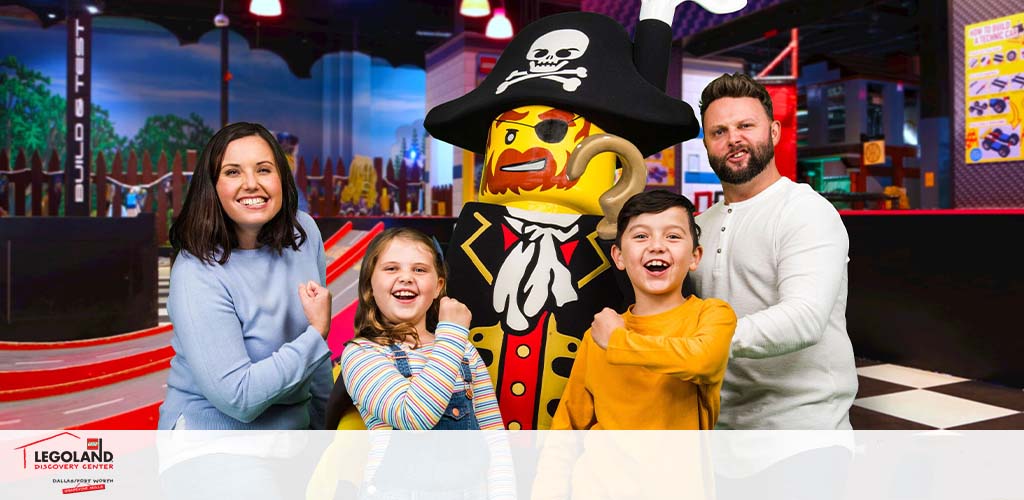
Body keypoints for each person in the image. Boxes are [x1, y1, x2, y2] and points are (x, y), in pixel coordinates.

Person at [693, 72, 858, 430]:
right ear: (706, 144)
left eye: (746, 125)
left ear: (774, 132)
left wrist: (692, 342)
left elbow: (803, 319)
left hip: (802, 429)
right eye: (718, 132)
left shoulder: (805, 211)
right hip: (719, 426)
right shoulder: (699, 226)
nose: (733, 139)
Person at [158, 121, 334, 431]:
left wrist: (328, 435)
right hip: (213, 439)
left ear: (282, 177)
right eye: (233, 172)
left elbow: (315, 363)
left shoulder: (304, 233)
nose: (251, 183)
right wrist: (316, 334)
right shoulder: (196, 270)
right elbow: (239, 400)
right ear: (212, 187)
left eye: (264, 169)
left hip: (292, 436)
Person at [550, 189, 736, 430]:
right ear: (618, 257)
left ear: (694, 257)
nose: (656, 246)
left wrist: (617, 341)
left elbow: (702, 361)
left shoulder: (711, 315)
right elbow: (567, 426)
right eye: (640, 236)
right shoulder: (596, 336)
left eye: (672, 236)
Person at [338, 226, 503, 431]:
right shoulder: (361, 354)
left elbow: (493, 432)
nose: (406, 278)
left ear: (438, 287)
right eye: (391, 268)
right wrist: (451, 334)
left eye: (419, 270)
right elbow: (413, 418)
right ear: (370, 287)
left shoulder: (465, 350)